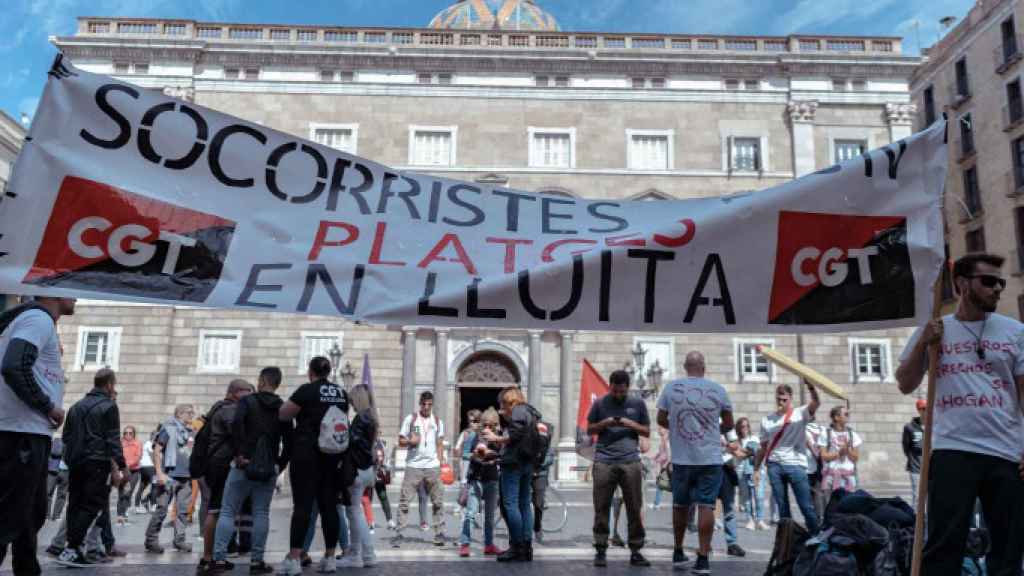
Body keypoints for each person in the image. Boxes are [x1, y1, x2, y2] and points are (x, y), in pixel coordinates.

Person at [895, 252, 1024, 576]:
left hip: (1007, 452)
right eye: (988, 281)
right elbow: (905, 383)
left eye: (1000, 282)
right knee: (943, 547)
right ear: (962, 284)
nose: (997, 289)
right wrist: (924, 343)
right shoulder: (936, 330)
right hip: (952, 450)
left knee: (1008, 549)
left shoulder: (1015, 332)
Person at [0, 296, 75, 575]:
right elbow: (13, 366)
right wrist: (47, 405)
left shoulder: (37, 321)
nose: (77, 297)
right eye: (72, 289)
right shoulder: (38, 319)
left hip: (27, 434)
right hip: (20, 436)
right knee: (10, 519)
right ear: (54, 292)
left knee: (28, 520)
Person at [656, 351, 734, 576]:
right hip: (710, 458)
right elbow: (729, 423)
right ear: (704, 367)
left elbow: (661, 419)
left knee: (680, 505)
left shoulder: (671, 389)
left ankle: (678, 551)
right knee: (706, 506)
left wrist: (680, 430)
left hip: (681, 458)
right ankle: (702, 558)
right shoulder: (718, 390)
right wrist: (711, 431)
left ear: (684, 366)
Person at [212, 367, 288, 574]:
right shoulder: (282, 406)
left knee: (228, 510)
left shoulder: (247, 402)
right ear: (277, 383)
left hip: (243, 465)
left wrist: (239, 454)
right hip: (268, 467)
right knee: (261, 513)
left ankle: (218, 559)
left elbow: (236, 427)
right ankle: (257, 561)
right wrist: (279, 464)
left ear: (262, 381)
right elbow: (289, 439)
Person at [277, 356, 349, 575]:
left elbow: (284, 414)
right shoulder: (340, 393)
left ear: (311, 372)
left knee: (302, 508)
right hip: (332, 456)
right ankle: (329, 558)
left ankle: (295, 559)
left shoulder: (307, 390)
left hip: (306, 454)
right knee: (329, 507)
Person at [56, 368, 127, 567]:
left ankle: (72, 549)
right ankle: (72, 548)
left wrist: (70, 458)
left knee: (75, 504)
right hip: (96, 462)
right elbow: (113, 439)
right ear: (110, 385)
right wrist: (122, 466)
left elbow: (66, 437)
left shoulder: (76, 406)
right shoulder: (109, 406)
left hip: (76, 462)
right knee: (92, 505)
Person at [587, 369, 651, 567]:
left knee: (634, 507)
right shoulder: (599, 403)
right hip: (604, 461)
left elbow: (647, 431)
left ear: (628, 388)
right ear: (610, 386)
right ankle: (600, 549)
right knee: (601, 507)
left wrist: (629, 423)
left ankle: (636, 550)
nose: (618, 395)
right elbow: (589, 429)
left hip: (630, 461)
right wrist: (604, 423)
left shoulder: (638, 404)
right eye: (615, 391)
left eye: (622, 392)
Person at [197, 380, 253, 573]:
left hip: (216, 464)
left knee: (219, 510)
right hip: (221, 465)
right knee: (216, 511)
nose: (251, 398)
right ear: (236, 392)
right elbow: (237, 433)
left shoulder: (220, 407)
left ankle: (211, 556)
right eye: (249, 393)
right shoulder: (229, 409)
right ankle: (209, 557)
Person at [753, 380, 821, 536]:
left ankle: (817, 537)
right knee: (783, 509)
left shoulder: (800, 413)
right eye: (778, 399)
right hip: (774, 465)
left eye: (784, 399)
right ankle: (788, 542)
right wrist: (757, 468)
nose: (781, 402)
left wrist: (811, 387)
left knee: (806, 506)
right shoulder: (767, 420)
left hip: (795, 464)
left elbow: (816, 402)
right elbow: (763, 448)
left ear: (791, 398)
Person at [482, 386, 539, 563]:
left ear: (508, 400)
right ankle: (527, 547)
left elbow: (514, 435)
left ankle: (517, 546)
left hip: (514, 463)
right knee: (524, 504)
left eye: (502, 403)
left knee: (511, 504)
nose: (502, 406)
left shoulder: (517, 412)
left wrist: (495, 438)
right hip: (527, 462)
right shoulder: (530, 412)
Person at [391, 391, 446, 548]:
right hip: (413, 466)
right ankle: (399, 533)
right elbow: (400, 440)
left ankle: (439, 533)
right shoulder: (411, 419)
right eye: (424, 404)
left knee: (438, 501)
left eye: (429, 404)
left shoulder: (437, 421)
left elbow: (440, 442)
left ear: (432, 404)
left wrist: (441, 462)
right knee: (404, 501)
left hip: (432, 466)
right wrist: (410, 441)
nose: (426, 407)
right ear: (420, 403)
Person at [145, 404, 196, 553]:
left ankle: (179, 541)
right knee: (161, 509)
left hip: (186, 477)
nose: (192, 415)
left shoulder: (190, 431)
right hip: (169, 476)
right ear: (180, 414)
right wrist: (160, 473)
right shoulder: (168, 429)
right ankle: (151, 540)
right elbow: (157, 450)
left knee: (183, 511)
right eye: (189, 413)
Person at [338, 384, 379, 568]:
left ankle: (363, 554)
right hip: (366, 468)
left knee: (354, 513)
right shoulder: (371, 416)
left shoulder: (361, 418)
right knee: (355, 512)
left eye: (353, 400)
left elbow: (349, 442)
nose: (352, 404)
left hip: (356, 468)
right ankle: (361, 554)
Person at [458, 408, 501, 558]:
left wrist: (494, 456)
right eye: (485, 425)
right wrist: (476, 455)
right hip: (476, 480)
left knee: (489, 517)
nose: (488, 428)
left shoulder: (498, 438)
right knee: (470, 514)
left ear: (496, 425)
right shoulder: (473, 436)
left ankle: (488, 545)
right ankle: (464, 544)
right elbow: (464, 454)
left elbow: (503, 455)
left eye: (491, 425)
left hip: (492, 479)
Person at [734, 418, 769, 531]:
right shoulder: (736, 441)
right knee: (747, 498)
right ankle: (750, 520)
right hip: (742, 471)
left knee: (759, 496)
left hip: (756, 471)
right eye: (742, 426)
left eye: (747, 426)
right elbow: (738, 455)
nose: (745, 429)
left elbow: (759, 452)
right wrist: (749, 452)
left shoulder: (754, 438)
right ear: (738, 428)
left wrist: (745, 451)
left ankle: (760, 520)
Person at [819, 406, 862, 496]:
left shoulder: (852, 435)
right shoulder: (826, 433)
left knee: (848, 507)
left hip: (848, 477)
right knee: (831, 507)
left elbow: (855, 458)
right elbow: (823, 456)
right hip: (830, 477)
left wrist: (847, 451)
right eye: (846, 414)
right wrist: (839, 453)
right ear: (836, 417)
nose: (848, 416)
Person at [717, 431, 746, 558]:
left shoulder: (726, 426)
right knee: (705, 507)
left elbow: (735, 445)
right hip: (709, 467)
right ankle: (704, 544)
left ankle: (732, 543)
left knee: (729, 508)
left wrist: (728, 446)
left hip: (726, 469)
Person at [532, 425, 556, 545]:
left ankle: (537, 527)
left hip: (540, 475)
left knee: (538, 503)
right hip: (529, 474)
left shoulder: (549, 448)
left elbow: (549, 459)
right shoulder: (530, 444)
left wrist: (537, 465)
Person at [902, 399, 926, 511]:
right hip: (916, 467)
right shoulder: (909, 427)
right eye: (924, 409)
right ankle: (915, 522)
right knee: (917, 496)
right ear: (919, 410)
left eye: (928, 408)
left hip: (931, 468)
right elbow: (906, 447)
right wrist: (913, 458)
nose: (927, 411)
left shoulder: (934, 425)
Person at [116, 426, 142, 525]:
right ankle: (120, 516)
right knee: (121, 494)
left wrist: (127, 464)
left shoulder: (138, 443)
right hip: (122, 470)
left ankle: (124, 515)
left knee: (128, 493)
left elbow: (138, 456)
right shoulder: (120, 443)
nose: (128, 435)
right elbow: (117, 455)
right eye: (126, 433)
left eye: (130, 433)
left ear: (134, 434)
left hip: (134, 471)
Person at [454, 410, 482, 485]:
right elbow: (457, 448)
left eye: (474, 421)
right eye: (470, 421)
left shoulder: (482, 434)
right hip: (466, 463)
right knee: (464, 484)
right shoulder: (465, 433)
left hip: (478, 466)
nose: (471, 424)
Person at [372, 439, 394, 530]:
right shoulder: (365, 441)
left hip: (380, 474)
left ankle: (389, 520)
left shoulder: (382, 443)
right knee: (367, 498)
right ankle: (370, 521)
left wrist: (387, 468)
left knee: (383, 496)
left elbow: (387, 457)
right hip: (369, 473)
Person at [47, 437, 69, 521]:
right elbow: (55, 452)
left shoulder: (74, 441)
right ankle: (46, 514)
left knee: (62, 495)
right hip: (53, 469)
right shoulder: (58, 439)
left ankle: (56, 516)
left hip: (67, 471)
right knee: (48, 492)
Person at [650, 426, 670, 511]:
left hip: (666, 466)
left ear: (666, 430)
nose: (658, 430)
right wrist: (655, 457)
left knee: (661, 485)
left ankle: (656, 504)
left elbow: (669, 454)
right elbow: (661, 452)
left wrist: (665, 465)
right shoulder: (663, 439)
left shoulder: (666, 440)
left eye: (660, 428)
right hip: (664, 466)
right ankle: (656, 504)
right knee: (661, 485)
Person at [136, 432, 156, 513]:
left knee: (142, 486)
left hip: (143, 467)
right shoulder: (150, 444)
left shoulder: (146, 444)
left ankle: (138, 505)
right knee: (155, 486)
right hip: (150, 467)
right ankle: (153, 505)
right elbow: (152, 456)